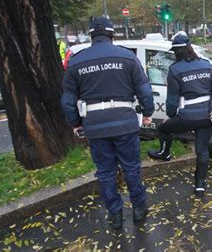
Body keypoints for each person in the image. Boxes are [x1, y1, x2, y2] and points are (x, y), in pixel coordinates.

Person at [61, 17, 155, 229]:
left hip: (95, 126)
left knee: (105, 172)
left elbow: (67, 99)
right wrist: (147, 112)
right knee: (131, 168)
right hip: (125, 123)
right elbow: (144, 89)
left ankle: (115, 214)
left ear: (91, 35)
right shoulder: (127, 57)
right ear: (112, 34)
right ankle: (139, 208)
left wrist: (75, 123)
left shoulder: (77, 61)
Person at [147, 32, 212, 197]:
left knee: (163, 129)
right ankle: (200, 185)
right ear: (189, 48)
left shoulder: (175, 69)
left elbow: (172, 99)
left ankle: (164, 153)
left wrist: (171, 114)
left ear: (176, 52)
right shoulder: (206, 65)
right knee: (202, 151)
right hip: (207, 117)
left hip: (187, 118)